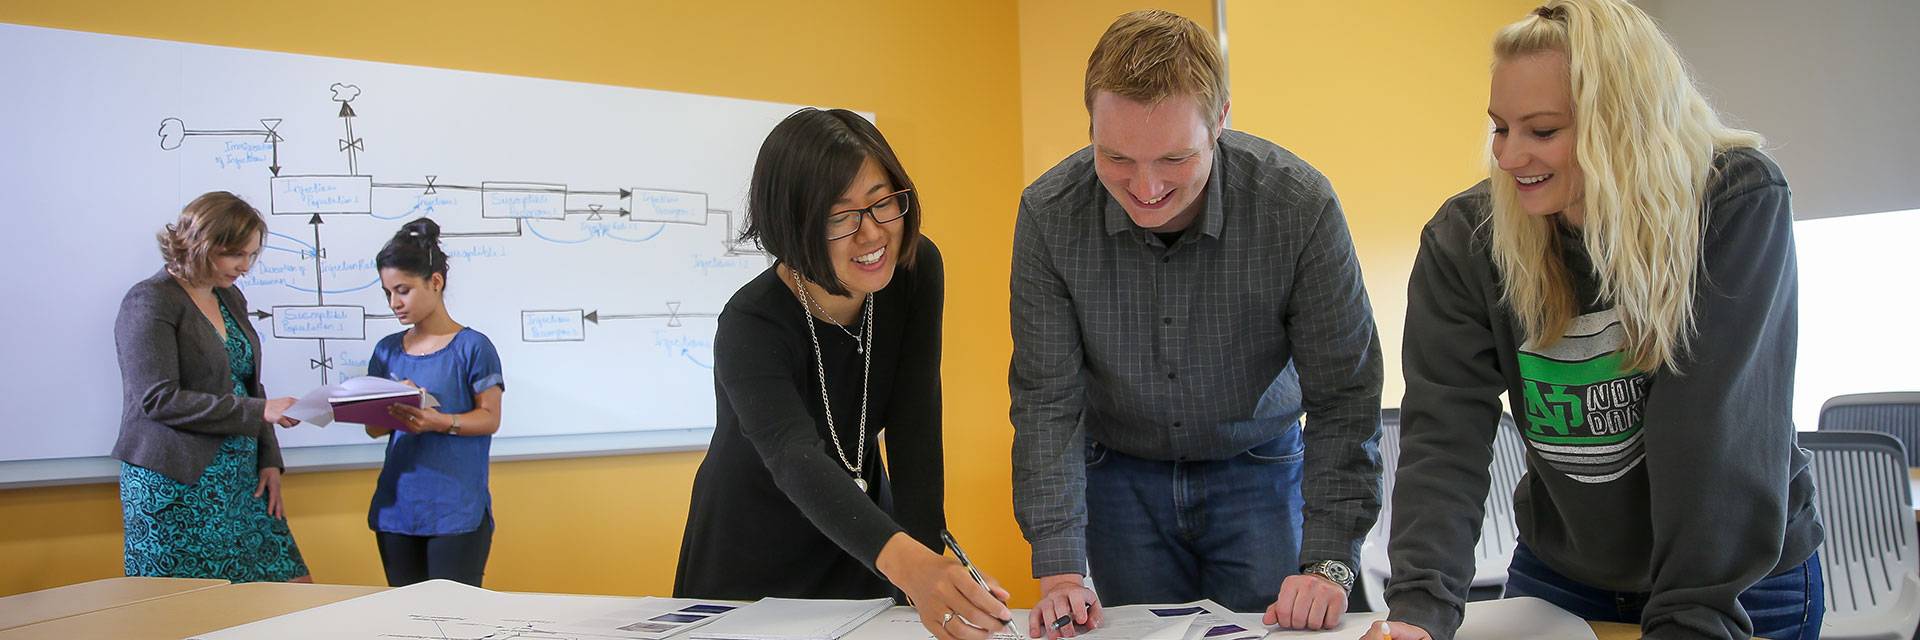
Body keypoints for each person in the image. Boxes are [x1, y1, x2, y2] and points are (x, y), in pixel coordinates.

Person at [1369, 2, 1823, 639]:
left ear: (1621, 124)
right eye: (1500, 128)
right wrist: (1419, 609)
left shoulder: (1733, 202)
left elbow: (1715, 433)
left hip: (1735, 583)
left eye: (1542, 131)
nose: (1509, 156)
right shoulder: (1467, 238)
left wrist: (1691, 619)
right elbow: (1445, 435)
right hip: (1567, 572)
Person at [1010, 9, 1384, 635]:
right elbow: (1047, 398)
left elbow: (1345, 393)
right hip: (1119, 474)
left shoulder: (1299, 207)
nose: (1146, 186)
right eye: (1116, 157)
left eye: (1174, 158)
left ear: (1220, 121)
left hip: (1260, 465)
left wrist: (1328, 563)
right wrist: (1061, 569)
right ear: (1090, 125)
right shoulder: (1050, 216)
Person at [675, 108, 1009, 640]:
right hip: (753, 548)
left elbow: (915, 425)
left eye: (883, 202)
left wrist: (927, 567)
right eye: (840, 216)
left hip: (865, 538)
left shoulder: (914, 271)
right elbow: (793, 457)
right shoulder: (751, 323)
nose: (871, 233)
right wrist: (913, 567)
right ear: (792, 225)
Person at [113, 190, 311, 583]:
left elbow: (247, 382)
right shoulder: (149, 300)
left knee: (294, 592)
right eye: (235, 254)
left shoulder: (230, 296)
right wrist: (261, 411)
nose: (245, 266)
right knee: (185, 608)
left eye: (251, 255)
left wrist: (269, 459)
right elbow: (158, 400)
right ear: (201, 243)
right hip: (176, 485)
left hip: (242, 480)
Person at [363, 217, 506, 588]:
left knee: (455, 615)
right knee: (404, 614)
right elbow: (374, 429)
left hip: (456, 511)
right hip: (397, 510)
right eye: (387, 293)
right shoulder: (386, 351)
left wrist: (437, 421)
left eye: (403, 290)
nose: (394, 303)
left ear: (436, 282)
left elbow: (489, 418)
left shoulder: (473, 347)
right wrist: (391, 404)